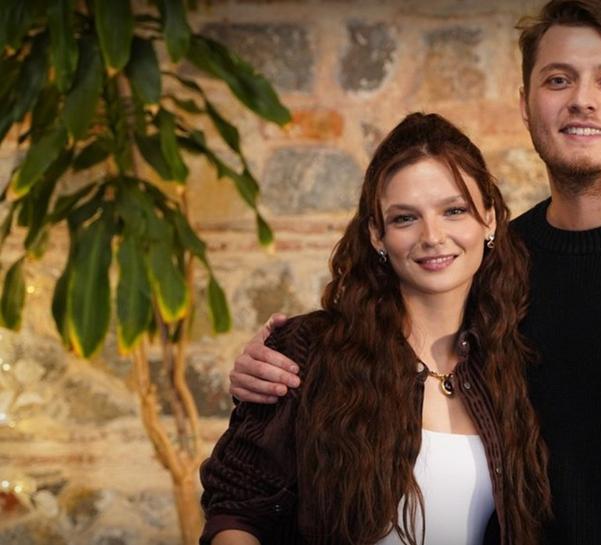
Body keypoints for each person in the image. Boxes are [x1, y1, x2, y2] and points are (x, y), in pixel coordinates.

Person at [227, 1, 601, 544]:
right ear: (525, 103)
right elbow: (395, 332)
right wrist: (275, 363)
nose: (582, 100)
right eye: (558, 79)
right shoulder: (499, 266)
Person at [199, 112, 552, 545]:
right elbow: (236, 509)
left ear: (490, 219)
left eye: (454, 210)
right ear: (376, 234)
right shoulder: (309, 352)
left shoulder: (511, 363)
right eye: (405, 218)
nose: (432, 236)